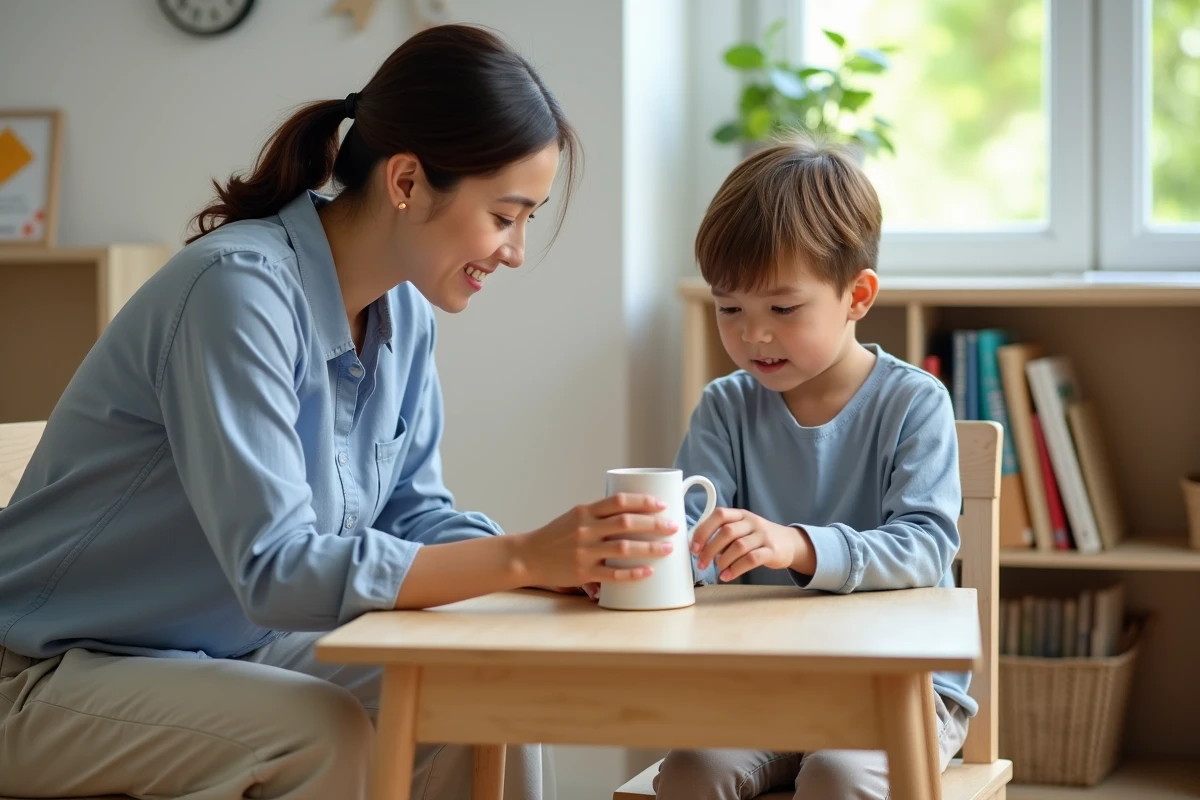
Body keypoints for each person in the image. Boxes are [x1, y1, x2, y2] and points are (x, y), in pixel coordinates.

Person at [0, 23, 678, 800]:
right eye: (504, 216)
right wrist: (523, 558)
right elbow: (276, 568)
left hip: (227, 651)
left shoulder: (404, 315)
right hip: (48, 668)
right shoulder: (237, 292)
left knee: (483, 690)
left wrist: (555, 570)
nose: (516, 250)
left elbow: (414, 515)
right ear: (407, 181)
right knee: (321, 731)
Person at [648, 136, 974, 800]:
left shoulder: (914, 403)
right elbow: (689, 535)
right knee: (690, 773)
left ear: (857, 296)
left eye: (782, 309)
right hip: (768, 684)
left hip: (899, 687)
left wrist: (798, 546)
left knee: (837, 777)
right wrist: (647, 558)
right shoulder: (726, 407)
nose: (753, 334)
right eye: (730, 308)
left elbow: (925, 546)